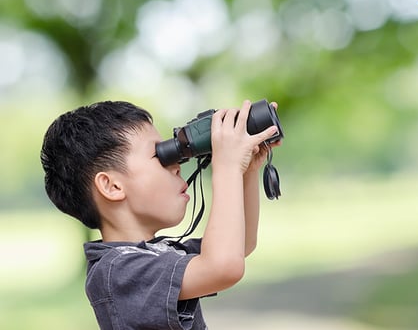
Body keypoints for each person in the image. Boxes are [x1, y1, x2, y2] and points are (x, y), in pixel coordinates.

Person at [40, 99, 281, 329]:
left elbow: (240, 245)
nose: (177, 165)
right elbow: (223, 267)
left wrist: (247, 170)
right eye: (159, 155)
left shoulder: (156, 254)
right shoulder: (116, 271)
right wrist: (226, 167)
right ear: (112, 186)